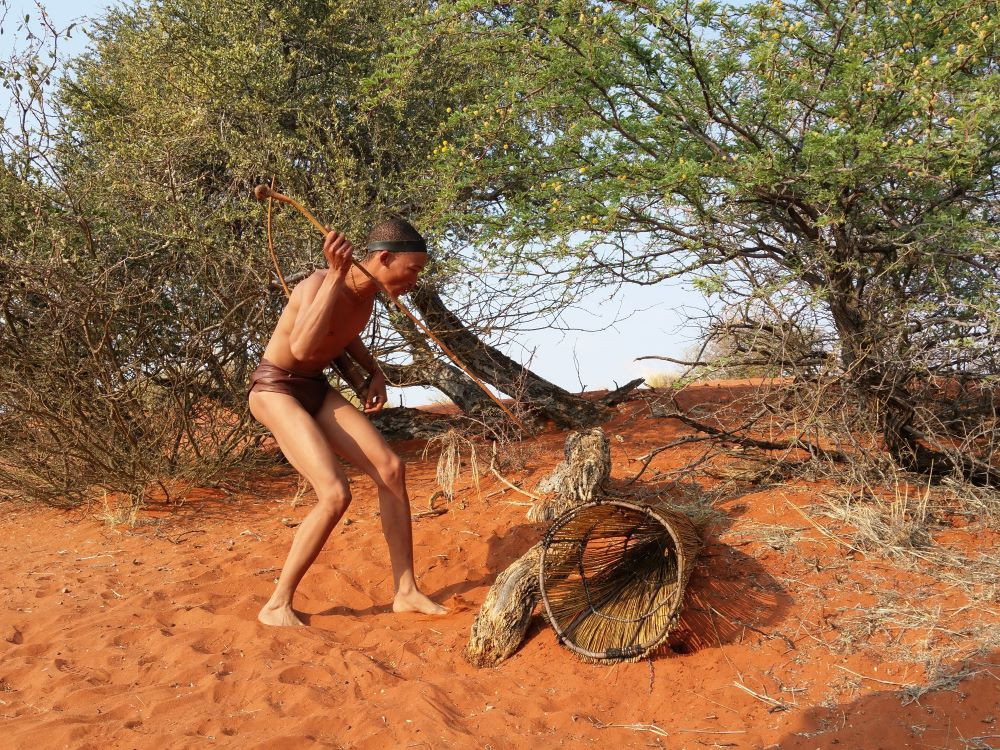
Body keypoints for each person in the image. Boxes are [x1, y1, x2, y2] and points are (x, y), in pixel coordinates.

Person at [248, 217, 446, 626]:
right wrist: (337, 274)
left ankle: (406, 591)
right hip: (276, 390)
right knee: (335, 493)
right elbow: (302, 348)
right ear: (386, 258)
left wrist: (371, 370)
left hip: (314, 390)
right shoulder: (320, 283)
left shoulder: (367, 296)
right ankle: (277, 605)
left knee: (391, 469)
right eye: (412, 270)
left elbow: (341, 333)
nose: (414, 281)